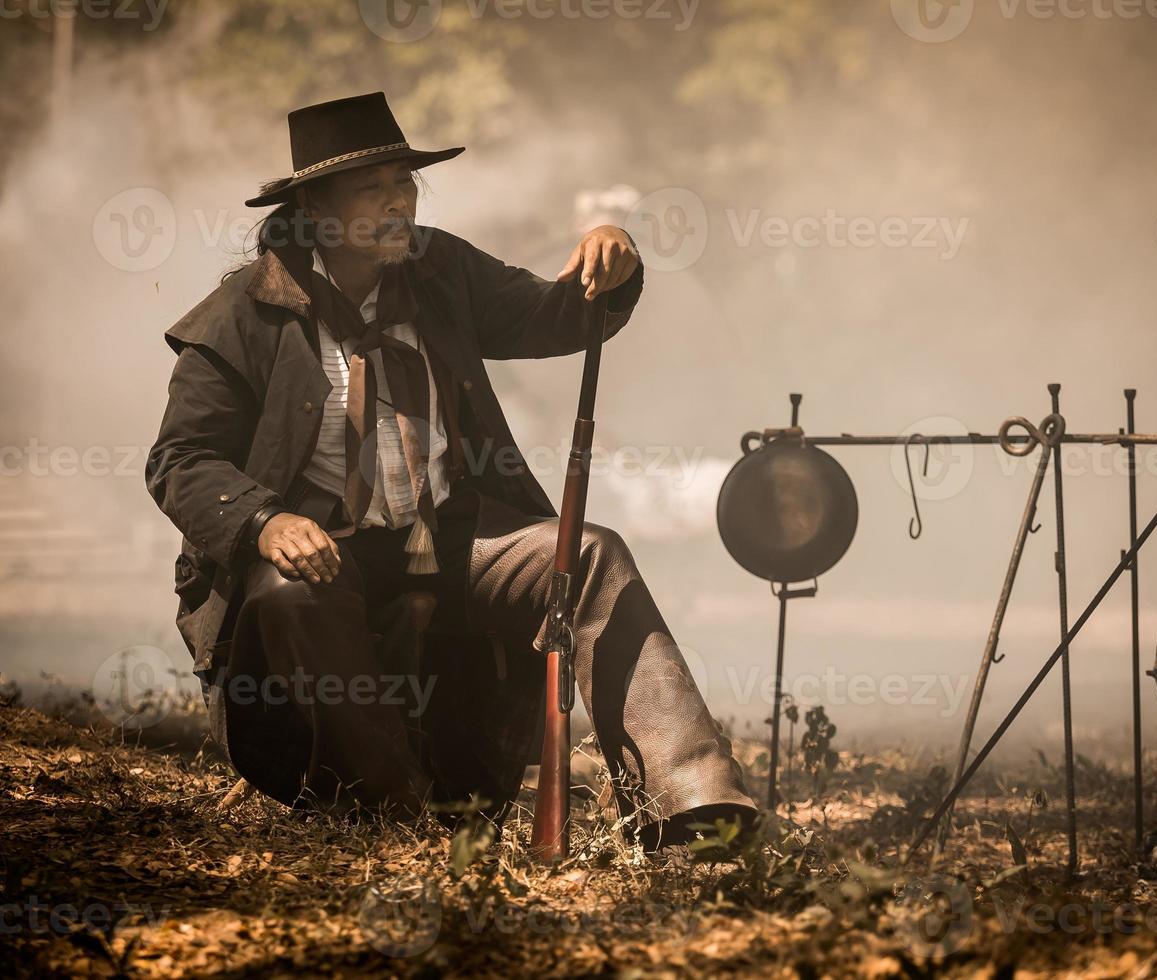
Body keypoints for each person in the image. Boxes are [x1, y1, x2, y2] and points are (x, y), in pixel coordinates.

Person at [144, 91, 757, 848]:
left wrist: (610, 254)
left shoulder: (441, 270)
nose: (399, 201)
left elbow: (558, 315)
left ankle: (692, 800)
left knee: (590, 553)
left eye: (404, 182)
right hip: (321, 554)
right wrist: (267, 520)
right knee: (293, 591)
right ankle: (393, 816)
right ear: (315, 209)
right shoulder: (242, 313)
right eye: (373, 187)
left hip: (445, 535)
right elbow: (181, 459)